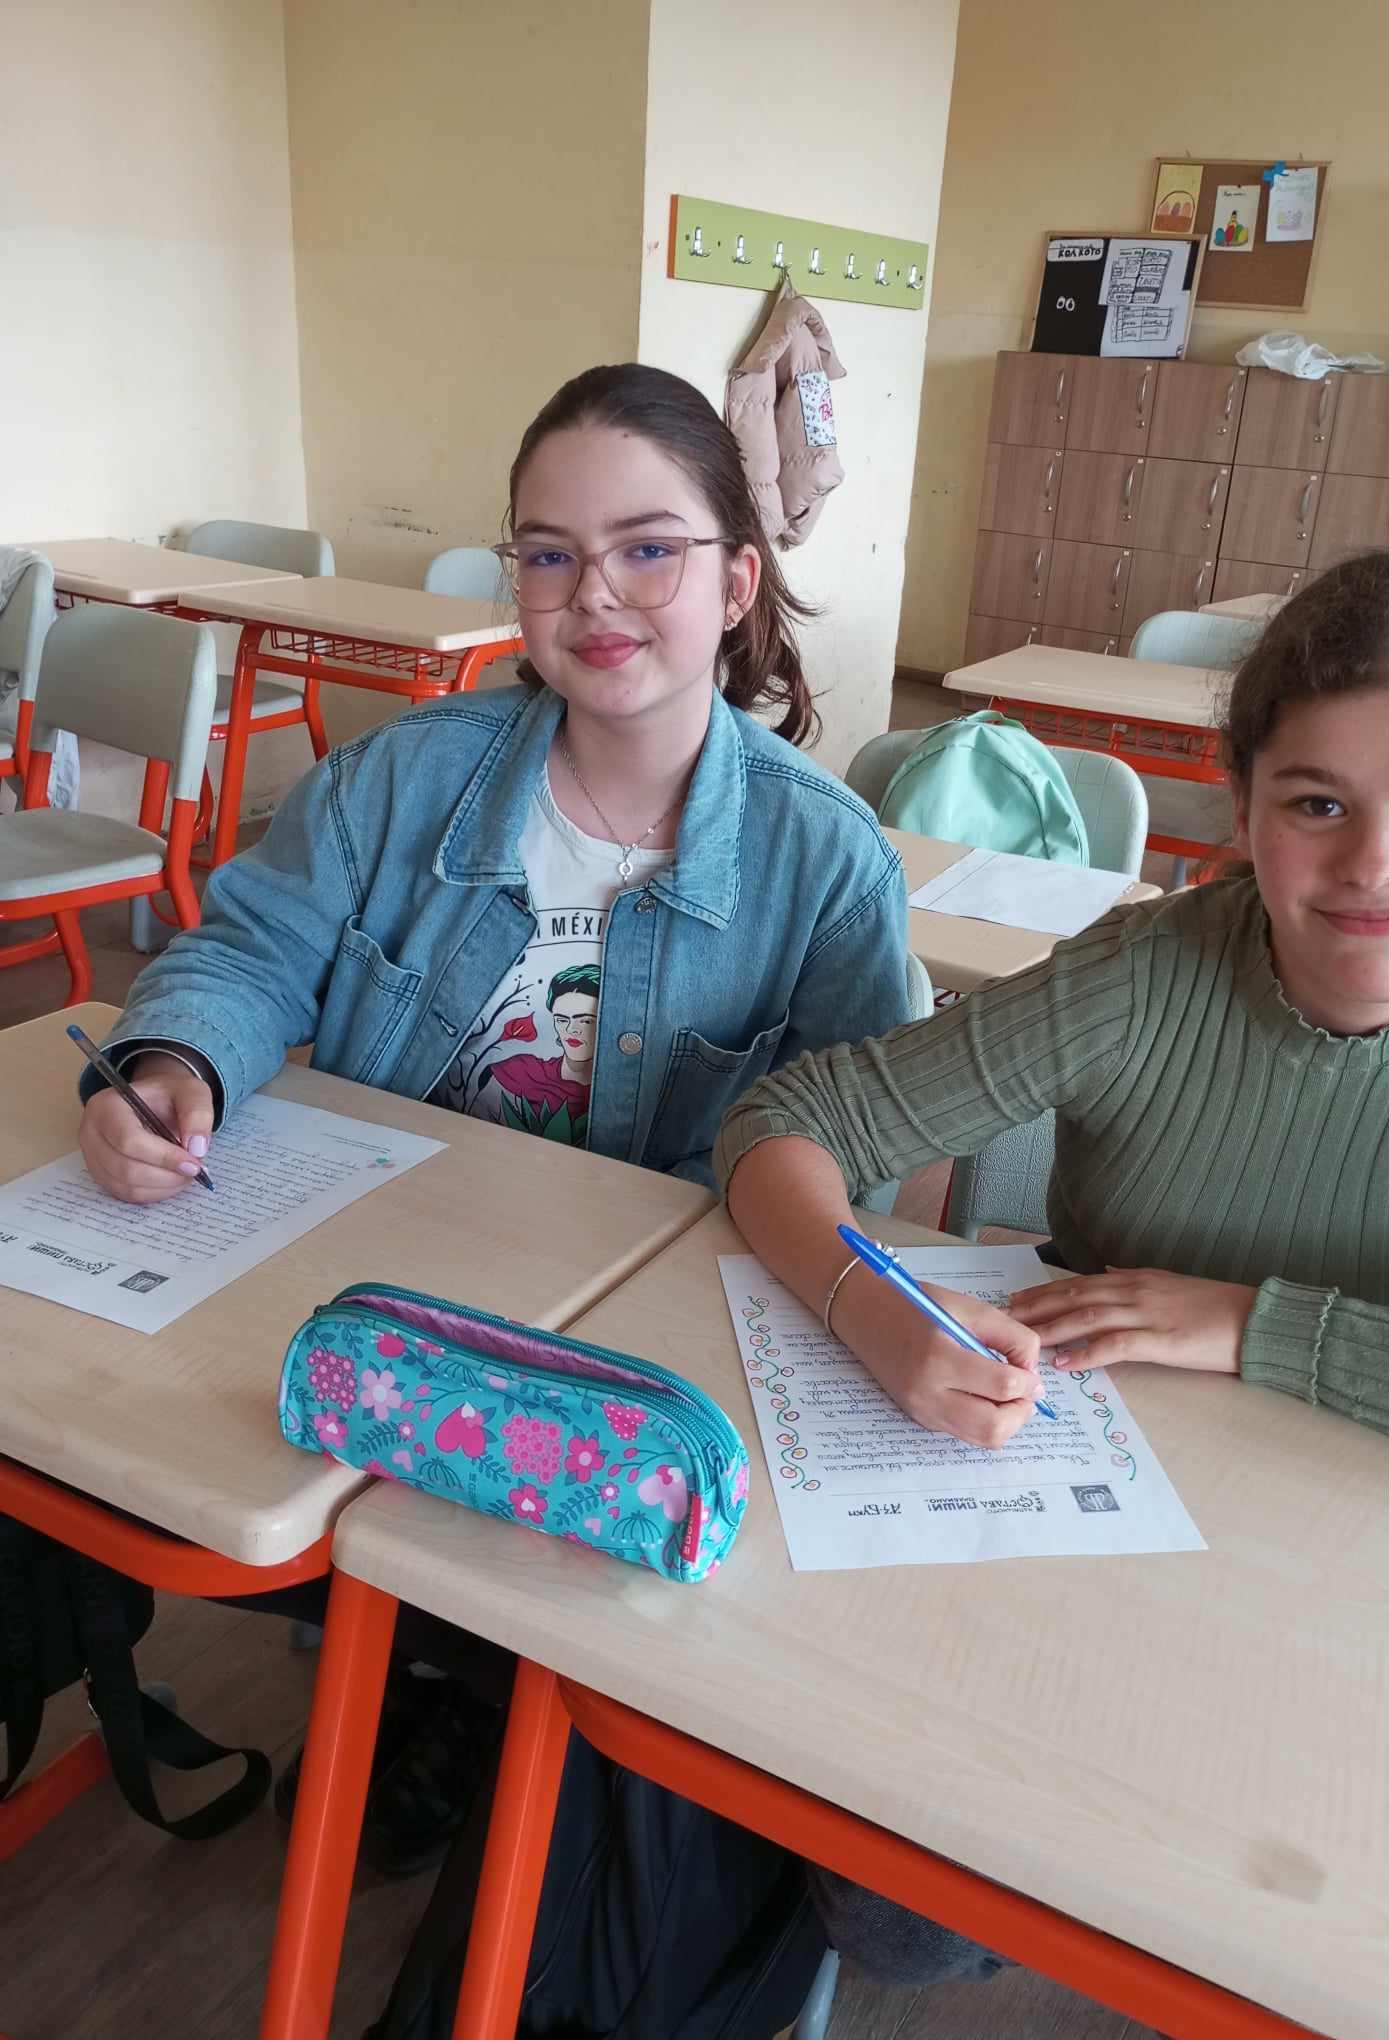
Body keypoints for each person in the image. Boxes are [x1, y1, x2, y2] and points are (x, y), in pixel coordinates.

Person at [76, 360, 911, 1873]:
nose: (596, 594)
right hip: (383, 1278)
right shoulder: (399, 782)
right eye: (549, 552)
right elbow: (252, 952)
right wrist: (179, 1063)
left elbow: (862, 1136)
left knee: (567, 1616)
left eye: (648, 548)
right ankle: (409, 1663)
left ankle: (487, 1703)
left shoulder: (827, 861)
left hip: (630, 1335)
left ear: (736, 582)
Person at [715, 544, 1389, 1986]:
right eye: (1317, 803)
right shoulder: (1144, 973)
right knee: (901, 1914)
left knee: (1311, 1924)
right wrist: (874, 1309)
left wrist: (1250, 1325)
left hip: (1339, 1564)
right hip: (1061, 1515)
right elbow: (786, 1124)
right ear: (1244, 809)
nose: (1375, 865)